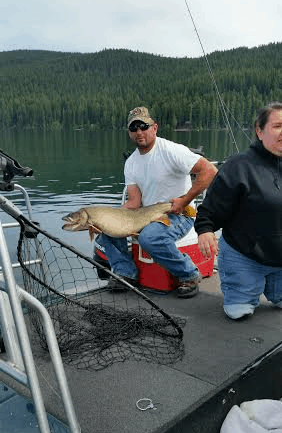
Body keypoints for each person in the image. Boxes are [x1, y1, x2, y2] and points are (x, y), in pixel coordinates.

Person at [101, 106, 217, 298]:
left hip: (180, 213)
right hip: (147, 215)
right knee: (108, 229)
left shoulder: (172, 151)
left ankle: (189, 274)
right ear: (129, 133)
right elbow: (134, 202)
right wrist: (108, 218)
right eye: (134, 128)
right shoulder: (131, 163)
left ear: (154, 128)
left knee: (149, 237)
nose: (139, 132)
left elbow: (210, 171)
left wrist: (184, 200)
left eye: (143, 126)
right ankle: (125, 273)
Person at [195, 101, 282, 319]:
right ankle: (243, 289)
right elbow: (210, 209)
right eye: (278, 126)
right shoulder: (239, 166)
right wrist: (205, 229)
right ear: (259, 131)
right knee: (239, 313)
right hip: (245, 255)